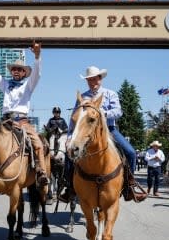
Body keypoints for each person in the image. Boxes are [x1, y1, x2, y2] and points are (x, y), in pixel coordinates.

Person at [60, 66, 147, 203]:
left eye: (95, 78)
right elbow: (74, 118)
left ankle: (129, 186)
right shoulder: (82, 97)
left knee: (130, 152)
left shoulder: (110, 94)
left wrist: (102, 113)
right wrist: (70, 136)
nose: (92, 81)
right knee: (69, 153)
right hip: (86, 131)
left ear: (100, 79)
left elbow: (118, 111)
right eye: (89, 79)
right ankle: (70, 187)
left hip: (109, 130)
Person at [0, 41, 49, 187]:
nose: (16, 71)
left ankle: (41, 172)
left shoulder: (28, 85)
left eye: (19, 69)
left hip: (22, 122)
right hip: (5, 122)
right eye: (14, 69)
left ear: (24, 73)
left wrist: (37, 55)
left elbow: (38, 74)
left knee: (38, 143)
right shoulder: (5, 84)